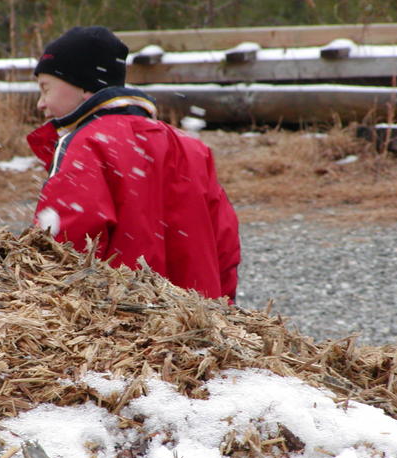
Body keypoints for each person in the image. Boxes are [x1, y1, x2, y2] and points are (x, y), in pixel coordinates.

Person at [27, 26, 241, 302]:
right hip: (194, 329)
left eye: (45, 89)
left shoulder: (87, 144)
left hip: (123, 328)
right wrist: (222, 313)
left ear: (82, 86)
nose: (40, 104)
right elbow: (225, 245)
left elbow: (64, 247)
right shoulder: (190, 147)